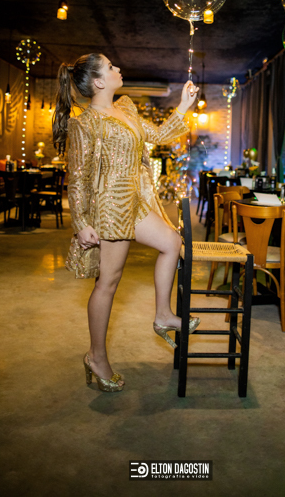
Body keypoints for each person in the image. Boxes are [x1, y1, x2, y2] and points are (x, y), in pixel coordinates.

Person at [53, 52, 200, 393]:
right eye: (110, 67)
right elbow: (77, 177)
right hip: (109, 209)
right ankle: (96, 356)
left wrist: (183, 105)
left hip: (136, 202)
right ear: (98, 81)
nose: (118, 68)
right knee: (108, 282)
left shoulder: (127, 109)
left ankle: (163, 315)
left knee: (172, 243)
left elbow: (159, 135)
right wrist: (81, 222)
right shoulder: (85, 123)